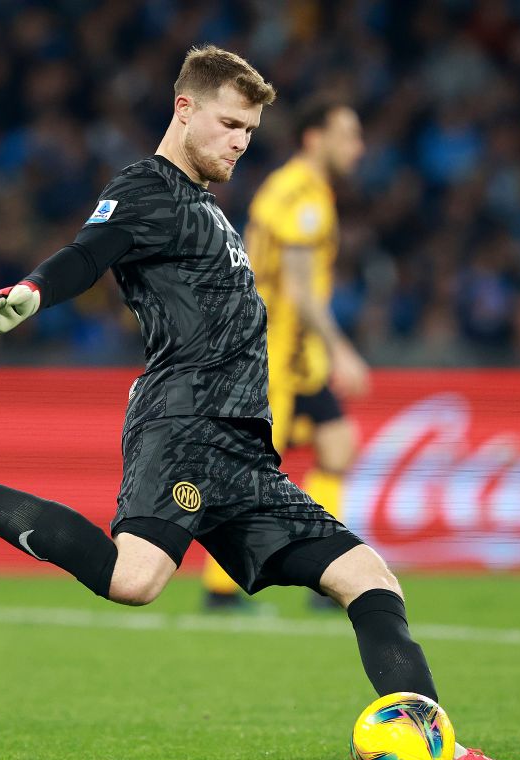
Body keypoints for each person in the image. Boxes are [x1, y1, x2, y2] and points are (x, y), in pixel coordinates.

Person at [0, 45, 520, 760]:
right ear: (184, 108)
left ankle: (439, 748)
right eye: (229, 123)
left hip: (244, 448)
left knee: (369, 576)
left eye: (251, 132)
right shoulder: (145, 188)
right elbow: (88, 251)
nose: (239, 142)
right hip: (185, 422)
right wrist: (30, 292)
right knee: (135, 579)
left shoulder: (208, 209)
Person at [201, 99, 371, 612]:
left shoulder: (292, 186)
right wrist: (342, 349)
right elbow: (298, 288)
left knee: (337, 443)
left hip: (292, 353)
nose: (357, 148)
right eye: (347, 136)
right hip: (275, 353)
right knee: (249, 467)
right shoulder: (304, 196)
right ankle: (221, 588)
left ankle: (326, 576)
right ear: (314, 138)